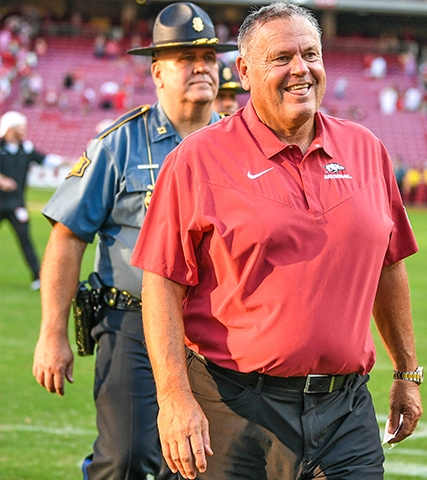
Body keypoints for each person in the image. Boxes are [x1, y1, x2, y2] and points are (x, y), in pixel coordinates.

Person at [130, 3, 423, 479]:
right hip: (235, 408)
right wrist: (174, 397)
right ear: (244, 71)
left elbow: (390, 265)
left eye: (311, 54)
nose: (300, 70)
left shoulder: (367, 150)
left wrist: (407, 372)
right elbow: (162, 282)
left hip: (345, 409)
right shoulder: (197, 159)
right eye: (282, 57)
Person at [31, 3, 236, 479]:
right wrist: (52, 334)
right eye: (187, 58)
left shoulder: (237, 145)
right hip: (131, 323)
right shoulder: (118, 144)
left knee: (196, 462)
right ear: (158, 71)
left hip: (214, 331)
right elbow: (67, 237)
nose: (202, 67)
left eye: (208, 57)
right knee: (125, 456)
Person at [0, 111, 45, 290]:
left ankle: (38, 277)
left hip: (16, 204)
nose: (24, 130)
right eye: (21, 127)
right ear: (11, 129)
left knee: (25, 240)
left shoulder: (26, 149)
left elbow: (46, 160)